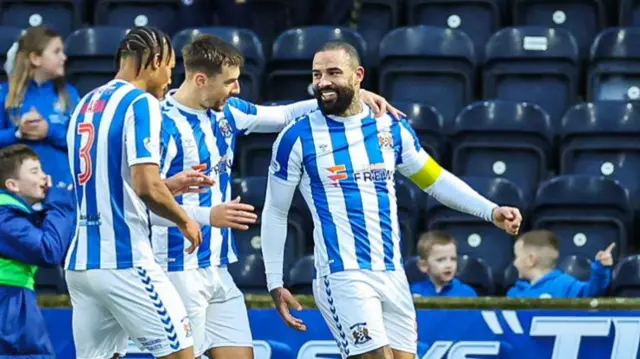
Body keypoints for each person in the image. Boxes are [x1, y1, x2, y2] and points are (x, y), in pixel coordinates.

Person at [260, 40, 523, 359]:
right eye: (317, 74)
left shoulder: (390, 127)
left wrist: (490, 210)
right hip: (343, 273)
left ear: (358, 75)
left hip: (391, 272)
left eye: (333, 72)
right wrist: (274, 280)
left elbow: (434, 179)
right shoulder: (296, 137)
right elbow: (275, 211)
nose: (323, 82)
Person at [151, 34, 403, 359]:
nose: (237, 89)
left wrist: (354, 93)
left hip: (217, 268)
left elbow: (284, 115)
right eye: (230, 82)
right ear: (201, 79)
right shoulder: (159, 124)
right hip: (176, 267)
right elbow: (140, 205)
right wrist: (205, 217)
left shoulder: (228, 112)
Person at [63, 26, 229, 359]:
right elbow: (145, 185)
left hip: (81, 264)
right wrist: (184, 219)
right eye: (169, 68)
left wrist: (167, 187)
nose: (170, 79)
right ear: (154, 61)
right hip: (125, 259)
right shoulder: (142, 103)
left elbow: (110, 183)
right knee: (183, 353)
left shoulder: (85, 101)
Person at [0, 144, 76, 359]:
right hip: (9, 299)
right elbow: (48, 250)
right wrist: (60, 202)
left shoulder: (14, 215)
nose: (45, 178)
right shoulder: (4, 216)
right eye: (35, 172)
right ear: (12, 184)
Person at [0, 25, 79, 187]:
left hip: (62, 191)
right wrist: (18, 133)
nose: (64, 57)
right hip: (17, 192)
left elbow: (82, 142)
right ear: (36, 58)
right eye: (56, 52)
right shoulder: (5, 94)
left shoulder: (70, 95)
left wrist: (48, 131)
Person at [507, 230, 612, 298]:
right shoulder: (514, 293)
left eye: (517, 256)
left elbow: (592, 292)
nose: (514, 263)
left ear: (531, 259)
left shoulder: (565, 285)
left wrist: (600, 268)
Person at [409, 231, 477, 297]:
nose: (449, 265)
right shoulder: (413, 292)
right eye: (441, 260)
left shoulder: (467, 293)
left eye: (453, 259)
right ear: (423, 265)